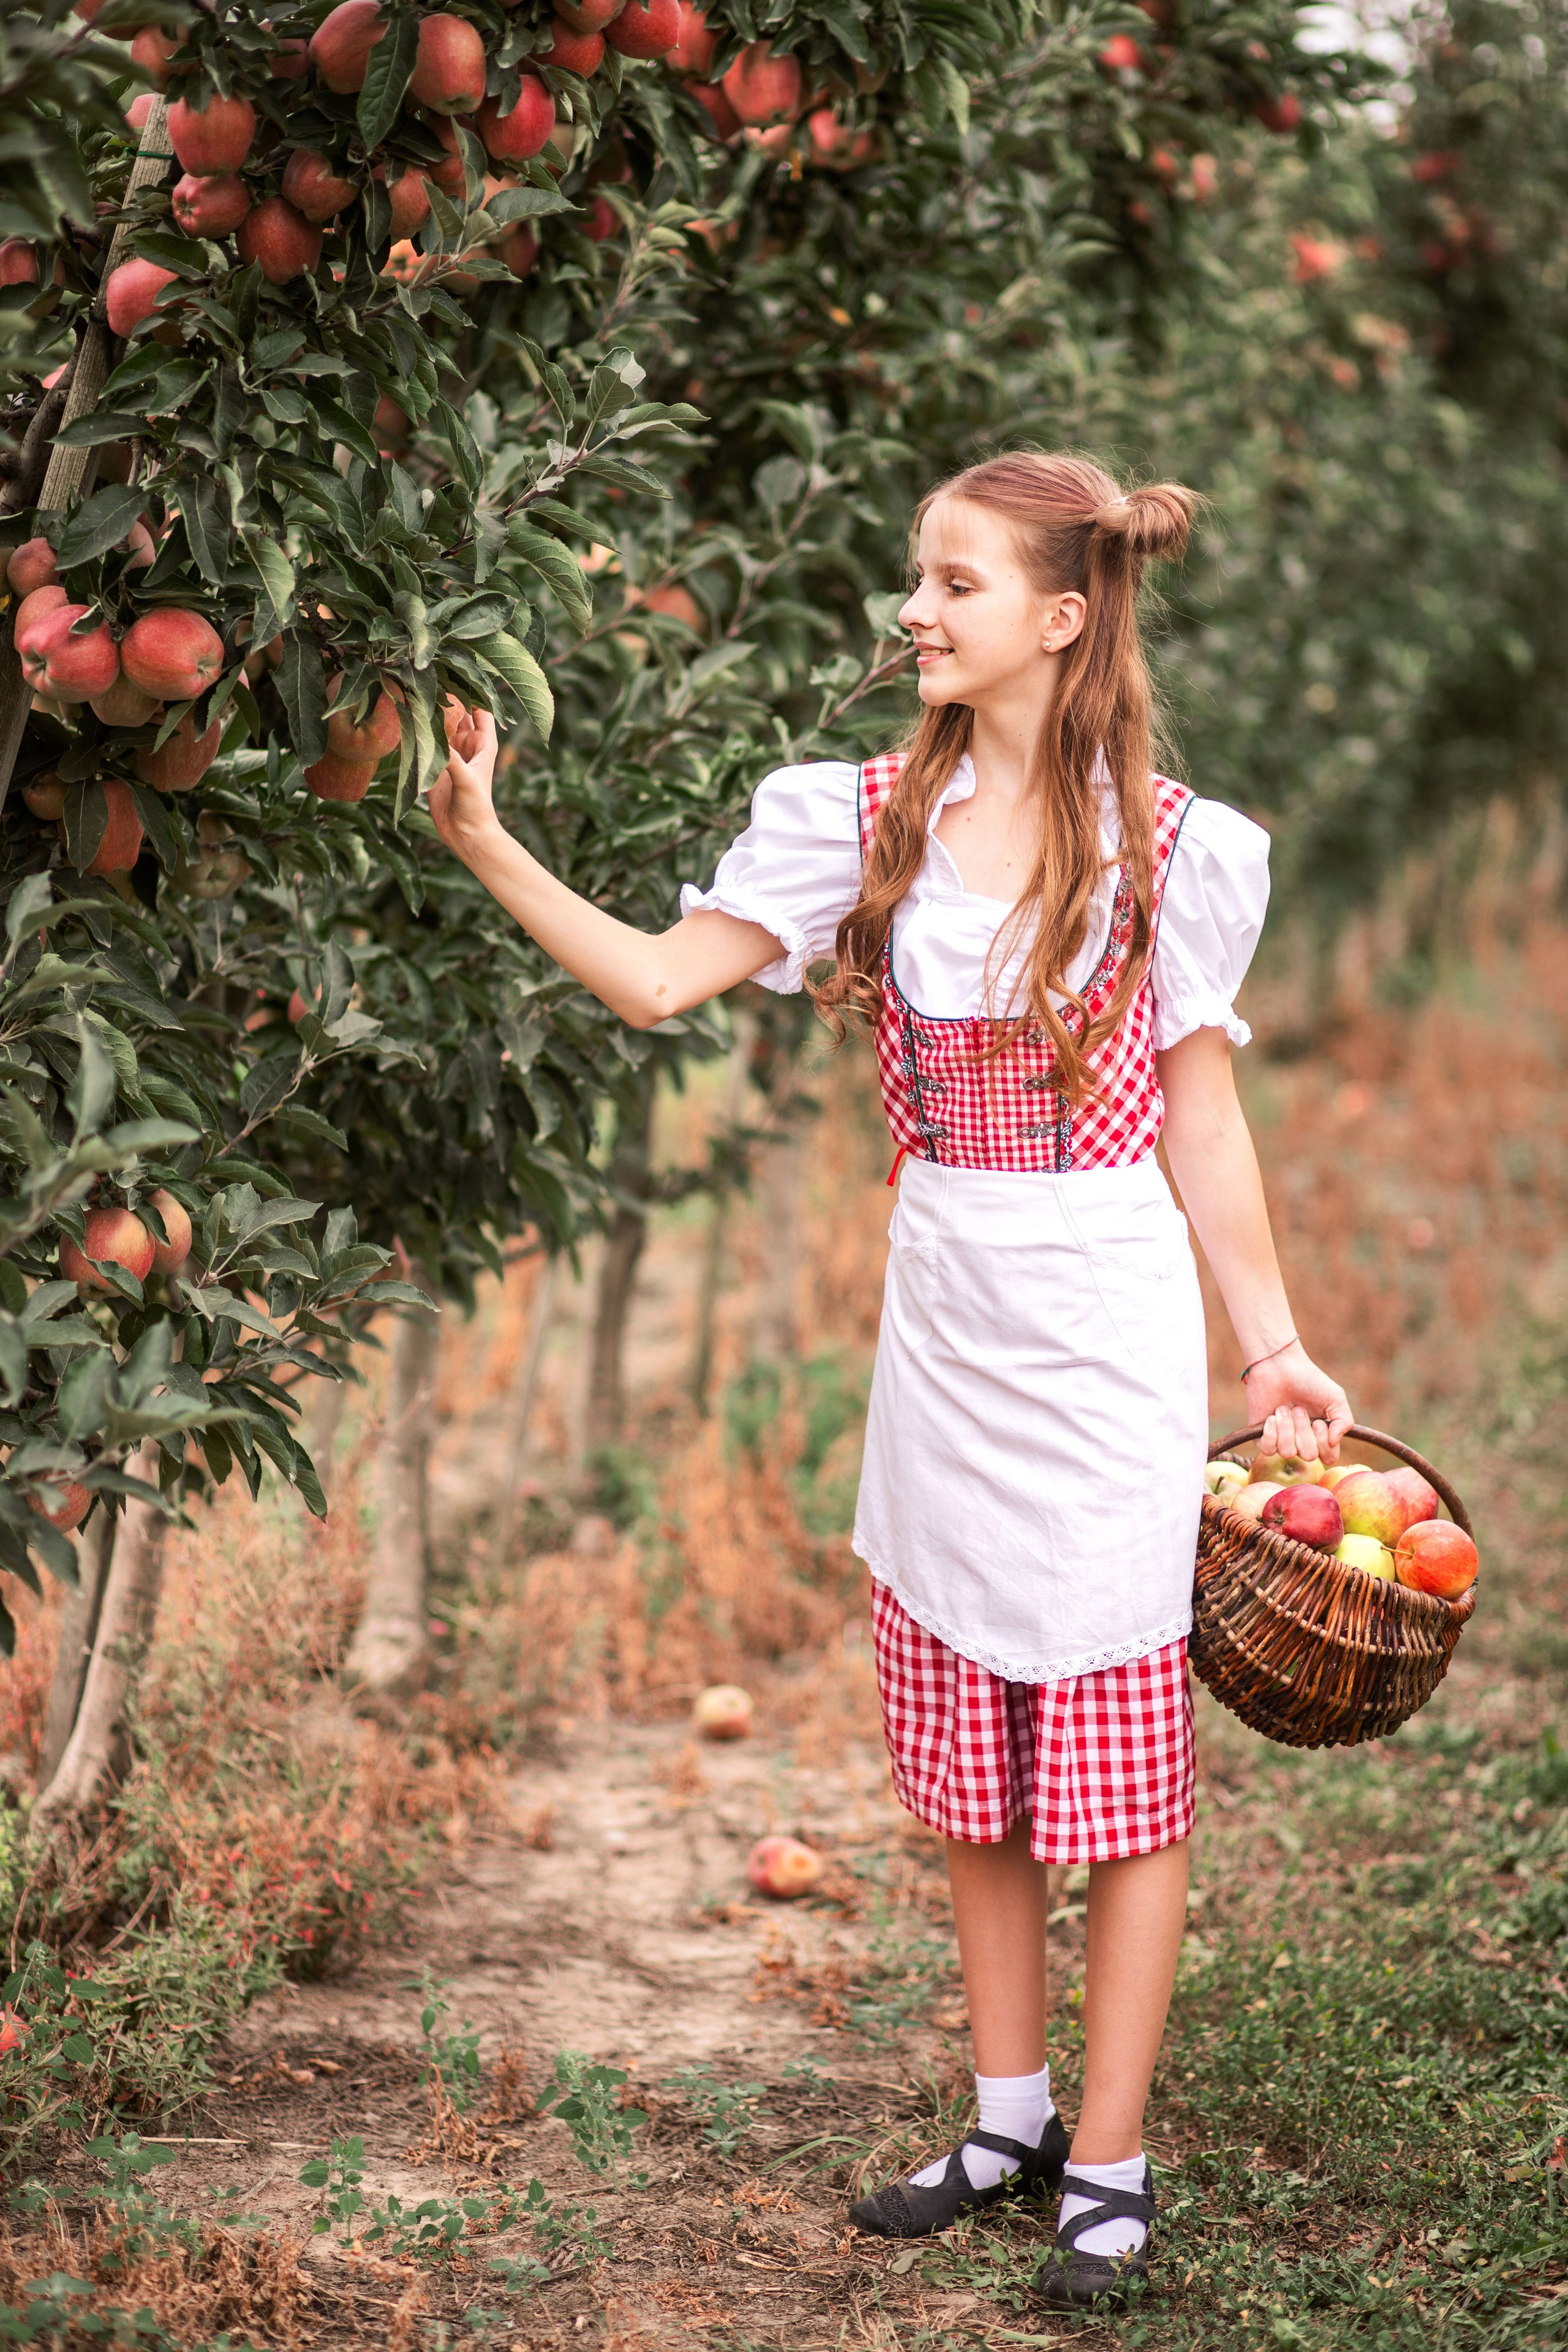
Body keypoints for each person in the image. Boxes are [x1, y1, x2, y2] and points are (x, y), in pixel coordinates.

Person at [428, 451, 1353, 2311]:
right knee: (975, 1755)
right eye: (914, 578)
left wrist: (1270, 1346)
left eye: (956, 582)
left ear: (1063, 617)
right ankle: (1007, 2115)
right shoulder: (857, 820)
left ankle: (1110, 2153)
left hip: (1101, 1313)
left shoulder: (1176, 848)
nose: (914, 610)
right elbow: (659, 988)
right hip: (944, 1309)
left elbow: (1206, 1130)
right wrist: (483, 839)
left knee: (1114, 1758)